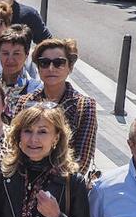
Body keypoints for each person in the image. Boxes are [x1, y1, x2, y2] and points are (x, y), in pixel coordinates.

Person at [12, 38, 97, 172]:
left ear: (70, 67)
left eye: (59, 63)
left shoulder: (84, 105)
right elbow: (14, 145)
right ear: (38, 68)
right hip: (25, 178)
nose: (51, 68)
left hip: (63, 182)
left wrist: (54, 185)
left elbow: (82, 158)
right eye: (44, 63)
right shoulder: (24, 102)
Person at [0, 26, 41, 118]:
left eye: (16, 54)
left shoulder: (37, 91)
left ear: (27, 54)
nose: (10, 59)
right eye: (5, 53)